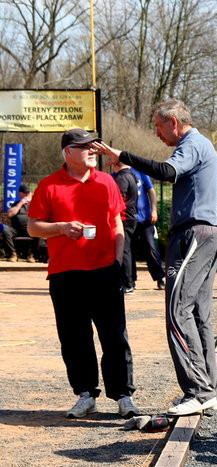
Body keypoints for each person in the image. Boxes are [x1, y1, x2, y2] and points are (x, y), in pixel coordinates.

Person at [92, 99, 217, 417]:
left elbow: (167, 172)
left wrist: (122, 157)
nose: (157, 134)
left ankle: (197, 391)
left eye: (157, 126)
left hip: (192, 235)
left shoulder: (192, 144)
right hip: (203, 233)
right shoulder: (204, 148)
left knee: (177, 313)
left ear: (172, 121)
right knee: (197, 315)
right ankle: (207, 390)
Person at [27, 128, 140, 419]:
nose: (93, 151)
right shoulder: (49, 186)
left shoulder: (107, 182)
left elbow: (117, 224)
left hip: (104, 270)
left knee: (115, 336)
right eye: (85, 147)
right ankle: (85, 394)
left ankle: (123, 396)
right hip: (66, 274)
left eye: (94, 146)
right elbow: (33, 227)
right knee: (75, 338)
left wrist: (117, 262)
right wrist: (62, 228)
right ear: (68, 152)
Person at [130, 168, 166, 289]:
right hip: (128, 220)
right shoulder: (116, 175)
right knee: (129, 250)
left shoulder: (140, 172)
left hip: (145, 218)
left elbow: (151, 191)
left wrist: (154, 210)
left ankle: (160, 277)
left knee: (150, 248)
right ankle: (131, 280)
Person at [111, 161, 139, 293]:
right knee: (128, 249)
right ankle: (131, 280)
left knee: (124, 250)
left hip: (124, 217)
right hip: (131, 216)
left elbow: (118, 199)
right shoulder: (132, 175)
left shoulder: (122, 177)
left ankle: (127, 283)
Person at [2, 184, 39, 262]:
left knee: (39, 231)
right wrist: (21, 203)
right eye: (24, 193)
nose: (26, 195)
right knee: (6, 231)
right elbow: (10, 214)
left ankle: (32, 255)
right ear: (20, 194)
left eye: (27, 193)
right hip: (17, 229)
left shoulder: (34, 204)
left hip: (30, 229)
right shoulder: (16, 204)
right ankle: (13, 254)